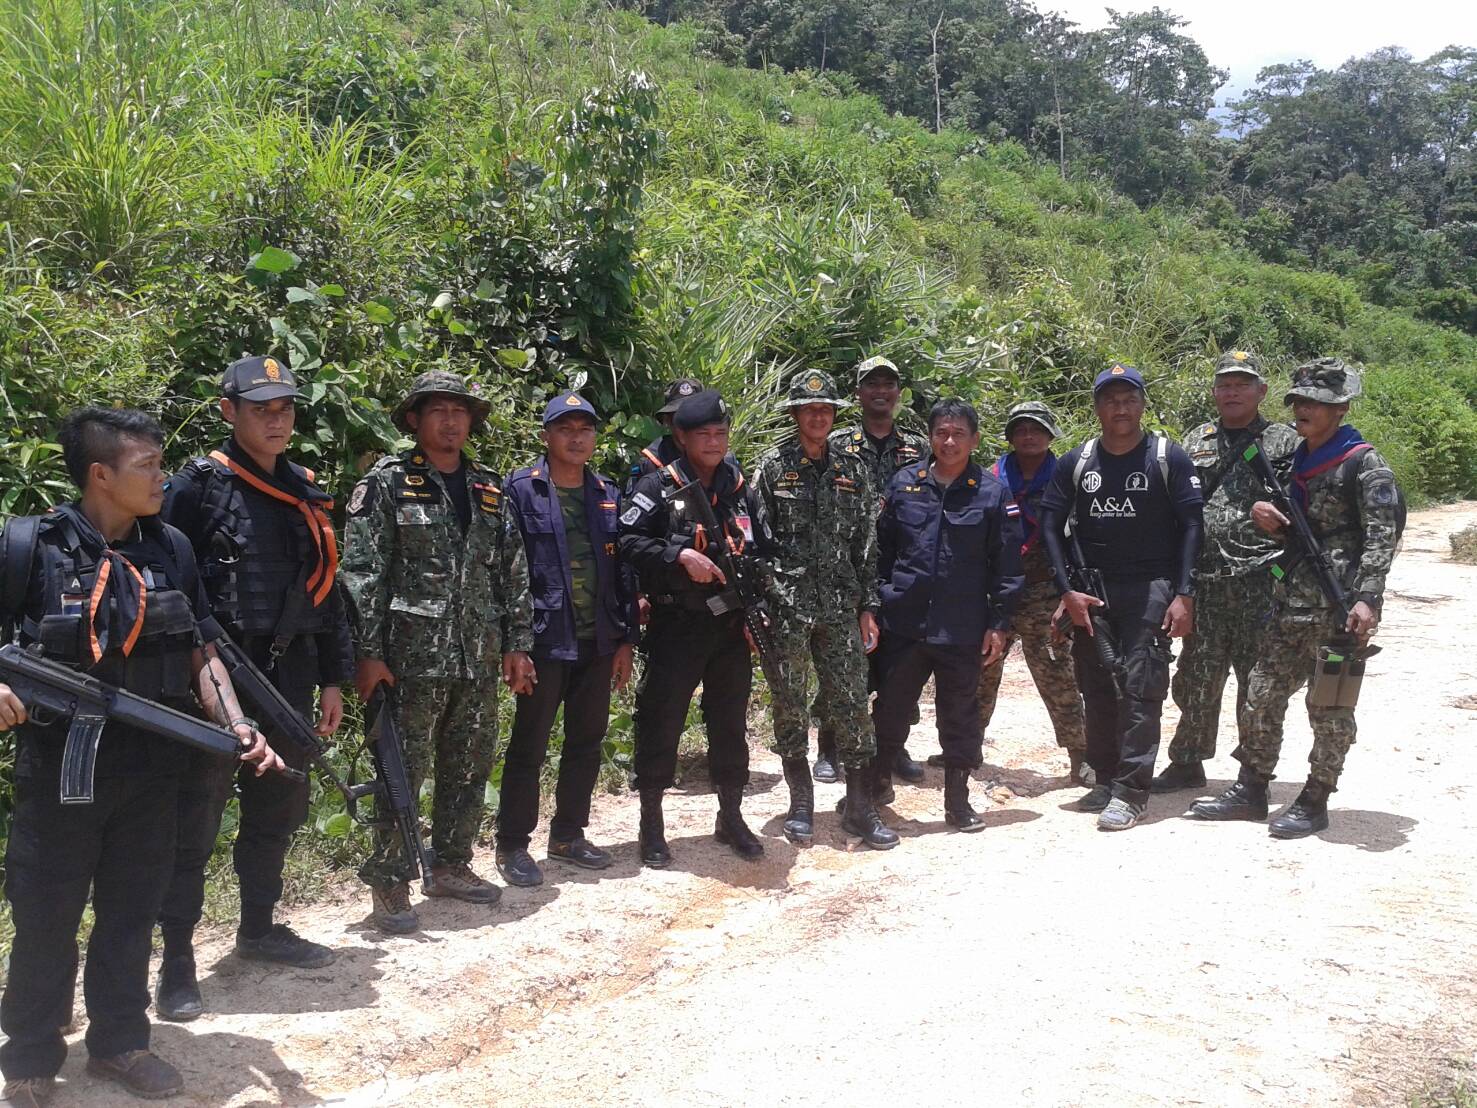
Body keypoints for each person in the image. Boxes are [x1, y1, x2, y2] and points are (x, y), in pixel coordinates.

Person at [0, 408, 283, 1105]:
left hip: (154, 767)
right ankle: (31, 1055)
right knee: (45, 914)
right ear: (101, 474)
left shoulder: (171, 549)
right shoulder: (28, 546)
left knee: (132, 911)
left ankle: (121, 1042)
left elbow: (201, 650)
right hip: (59, 768)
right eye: (147, 465)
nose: (161, 477)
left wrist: (238, 723)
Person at [154, 356, 351, 1022]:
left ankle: (259, 928)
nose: (276, 420)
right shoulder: (197, 488)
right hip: (214, 680)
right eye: (261, 408)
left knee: (278, 810)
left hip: (290, 675)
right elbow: (165, 585)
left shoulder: (304, 489)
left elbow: (327, 592)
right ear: (227, 411)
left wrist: (332, 677)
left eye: (285, 407)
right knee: (195, 824)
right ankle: (177, 963)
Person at [341, 371, 534, 934]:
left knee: (469, 763)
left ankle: (451, 864)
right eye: (438, 411)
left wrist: (518, 643)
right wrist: (368, 653)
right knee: (401, 770)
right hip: (409, 660)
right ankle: (390, 881)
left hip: (478, 652)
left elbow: (512, 571)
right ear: (414, 420)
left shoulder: (488, 488)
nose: (451, 421)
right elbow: (363, 573)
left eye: (460, 411)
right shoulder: (387, 483)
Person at [1191, 358, 1401, 838]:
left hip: (1340, 607)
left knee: (1329, 709)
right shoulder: (1295, 460)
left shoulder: (1363, 464)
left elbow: (1380, 538)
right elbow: (1298, 529)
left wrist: (1367, 599)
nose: (1304, 410)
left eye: (1317, 403)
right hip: (1289, 603)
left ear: (1341, 409)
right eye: (1299, 401)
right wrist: (1267, 514)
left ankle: (1316, 797)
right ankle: (1252, 787)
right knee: (1261, 694)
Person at [1039, 363, 1203, 831]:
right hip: (1092, 591)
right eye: (1110, 400)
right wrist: (1067, 591)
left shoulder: (1167, 458)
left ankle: (1131, 792)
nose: (1121, 408)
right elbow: (1049, 526)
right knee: (1095, 685)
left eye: (1129, 399)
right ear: (1097, 408)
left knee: (1141, 686)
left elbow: (1193, 525)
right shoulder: (1077, 462)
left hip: (1151, 587)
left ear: (1142, 404)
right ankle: (1106, 777)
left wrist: (1184, 594)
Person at [618, 389, 773, 866]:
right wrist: (678, 555)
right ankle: (651, 823)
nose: (713, 442)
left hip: (729, 624)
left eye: (720, 433)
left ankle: (731, 816)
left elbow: (761, 550)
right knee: (661, 720)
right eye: (703, 434)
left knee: (729, 723)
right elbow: (626, 539)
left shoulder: (738, 487)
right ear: (682, 438)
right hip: (678, 624)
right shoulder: (658, 486)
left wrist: (758, 607)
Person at [495, 392, 639, 887]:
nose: (577, 438)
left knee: (587, 741)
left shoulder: (606, 492)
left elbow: (623, 573)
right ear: (546, 436)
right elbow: (507, 570)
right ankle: (512, 843)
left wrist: (625, 640)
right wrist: (514, 644)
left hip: (597, 641)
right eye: (565, 429)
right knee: (529, 744)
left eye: (585, 429)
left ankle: (568, 835)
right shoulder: (521, 490)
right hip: (543, 641)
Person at [753, 370, 897, 850]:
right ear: (795, 414)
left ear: (834, 414)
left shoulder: (853, 469)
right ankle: (801, 802)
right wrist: (763, 603)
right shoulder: (772, 468)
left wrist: (868, 606)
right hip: (788, 608)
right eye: (809, 409)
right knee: (789, 702)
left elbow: (866, 547)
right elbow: (755, 544)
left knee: (852, 702)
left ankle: (859, 806)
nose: (818, 417)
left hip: (840, 607)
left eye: (826, 409)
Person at [867, 398, 1023, 831]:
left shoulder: (992, 493)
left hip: (962, 627)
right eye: (941, 433)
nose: (949, 441)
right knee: (890, 710)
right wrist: (877, 603)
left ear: (974, 440)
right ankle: (875, 785)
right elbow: (881, 551)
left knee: (959, 717)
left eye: (958, 434)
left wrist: (999, 624)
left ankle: (957, 800)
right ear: (930, 437)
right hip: (905, 623)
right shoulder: (904, 484)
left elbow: (1007, 565)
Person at [1154, 352, 1299, 792]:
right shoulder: (1197, 438)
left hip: (1260, 579)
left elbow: (1306, 505)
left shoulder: (1285, 441)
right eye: (1225, 384)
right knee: (1197, 675)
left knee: (1257, 680)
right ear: (1215, 391)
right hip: (1204, 580)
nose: (1232, 392)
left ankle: (1251, 772)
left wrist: (1280, 516)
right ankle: (1187, 761)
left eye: (1242, 384)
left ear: (1262, 391)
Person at [816, 355, 931, 785]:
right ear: (858, 393)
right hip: (845, 566)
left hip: (900, 568)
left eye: (888, 384)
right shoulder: (837, 442)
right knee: (841, 659)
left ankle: (892, 746)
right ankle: (829, 747)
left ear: (898, 393)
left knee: (899, 664)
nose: (880, 392)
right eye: (871, 384)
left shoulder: (918, 446)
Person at [970, 401, 1089, 783]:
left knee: (1057, 673)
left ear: (1050, 434)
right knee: (981, 670)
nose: (1028, 436)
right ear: (1009, 437)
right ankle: (967, 746)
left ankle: (1080, 754)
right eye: (1020, 429)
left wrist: (1072, 591)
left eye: (1037, 429)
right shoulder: (990, 478)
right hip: (997, 590)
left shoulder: (1067, 476)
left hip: (1045, 590)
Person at [625, 377, 703, 494]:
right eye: (682, 417)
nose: (690, 423)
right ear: (667, 420)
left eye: (696, 415)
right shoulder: (650, 464)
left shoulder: (717, 457)